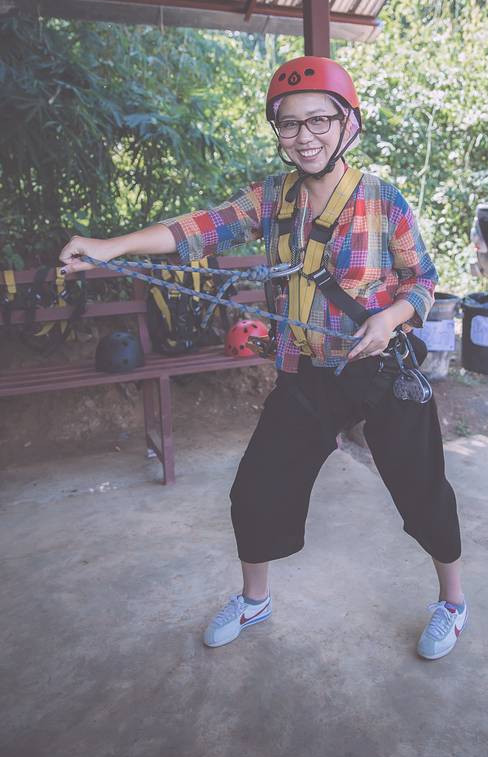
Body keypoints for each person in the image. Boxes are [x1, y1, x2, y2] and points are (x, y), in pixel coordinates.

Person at [59, 56, 467, 660]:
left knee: (422, 487)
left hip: (380, 370)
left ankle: (453, 602)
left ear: (349, 123)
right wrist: (107, 247)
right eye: (290, 124)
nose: (305, 136)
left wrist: (390, 318)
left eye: (320, 120)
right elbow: (198, 228)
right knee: (256, 489)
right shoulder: (271, 198)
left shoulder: (383, 200)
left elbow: (423, 279)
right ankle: (256, 600)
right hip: (306, 373)